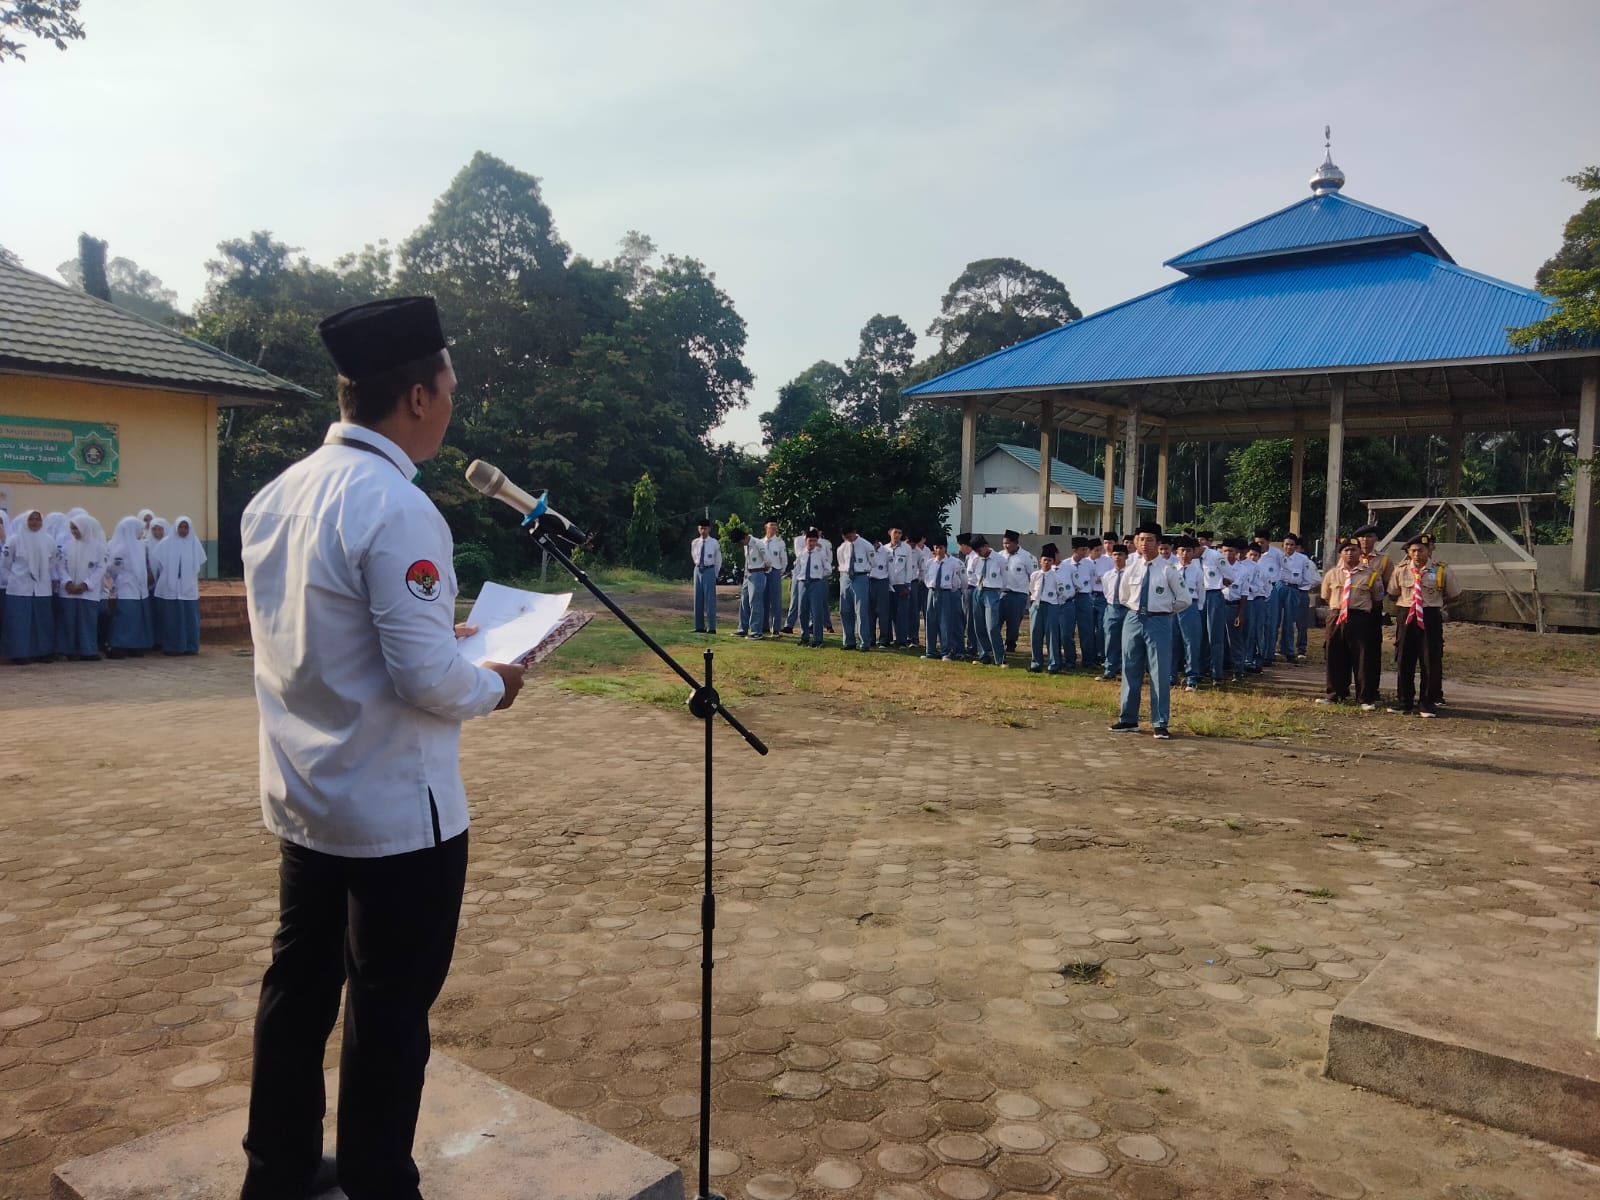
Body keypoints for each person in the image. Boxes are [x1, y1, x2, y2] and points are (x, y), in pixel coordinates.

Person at [237, 296, 526, 1200]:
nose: (451, 401)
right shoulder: (397, 507)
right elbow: (425, 681)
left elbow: (340, 638)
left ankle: (276, 1173)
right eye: (449, 385)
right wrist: (495, 681)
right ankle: (377, 1180)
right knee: (390, 1008)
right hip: (399, 816)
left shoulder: (275, 496)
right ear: (416, 399)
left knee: (297, 991)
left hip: (307, 797)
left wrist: (446, 634)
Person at [1111, 522, 1191, 740]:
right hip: (1134, 619)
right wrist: (1138, 611)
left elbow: (1185, 599)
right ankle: (1128, 719)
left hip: (1159, 622)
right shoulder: (1131, 568)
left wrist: (1165, 611)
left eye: (1150, 540)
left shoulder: (1169, 569)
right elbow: (1124, 596)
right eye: (1141, 539)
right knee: (1130, 668)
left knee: (1159, 672)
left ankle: (1160, 722)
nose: (1145, 544)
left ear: (1158, 543)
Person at [1386, 533, 1461, 717]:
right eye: (1413, 551)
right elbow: (1393, 592)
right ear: (1408, 553)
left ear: (1429, 550)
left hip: (1430, 616)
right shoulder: (1401, 569)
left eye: (1421, 550)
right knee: (1404, 659)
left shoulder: (1441, 570)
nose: (1417, 554)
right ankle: (1405, 700)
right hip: (1407, 614)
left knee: (1430, 659)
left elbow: (1454, 594)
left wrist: (1436, 604)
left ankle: (1427, 703)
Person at [1318, 536, 1384, 707]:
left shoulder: (1371, 575)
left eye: (1353, 550)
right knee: (1335, 655)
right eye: (1346, 550)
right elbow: (1326, 595)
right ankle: (1335, 694)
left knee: (1363, 658)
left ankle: (1365, 697)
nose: (1350, 553)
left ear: (1360, 553)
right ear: (1340, 554)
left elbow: (1377, 597)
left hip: (1360, 618)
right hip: (1337, 616)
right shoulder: (1332, 574)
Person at [2, 509, 55, 663]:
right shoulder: (14, 540)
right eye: (31, 519)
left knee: (42, 622)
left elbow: (52, 562)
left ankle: (42, 652)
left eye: (38, 520)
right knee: (20, 623)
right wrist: (13, 579)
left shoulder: (48, 540)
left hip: (41, 588)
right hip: (19, 588)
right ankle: (20, 654)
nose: (35, 523)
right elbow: (5, 564)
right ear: (25, 521)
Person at [154, 515, 205, 654]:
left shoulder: (194, 543)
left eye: (186, 527)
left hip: (188, 586)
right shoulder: (167, 542)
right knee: (172, 618)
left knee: (190, 617)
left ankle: (190, 646)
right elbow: (160, 562)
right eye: (181, 527)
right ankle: (173, 646)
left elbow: (198, 563)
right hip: (171, 586)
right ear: (176, 528)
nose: (183, 530)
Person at [60, 513, 107, 660]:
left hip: (88, 592)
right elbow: (61, 567)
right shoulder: (68, 546)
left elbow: (101, 568)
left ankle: (88, 651)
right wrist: (67, 582)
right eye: (72, 529)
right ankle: (70, 651)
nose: (75, 532)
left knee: (87, 622)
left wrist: (86, 584)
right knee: (69, 622)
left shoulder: (98, 547)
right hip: (69, 591)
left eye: (77, 529)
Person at [106, 515, 154, 657]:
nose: (141, 532)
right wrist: (122, 577)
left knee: (138, 617)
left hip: (140, 587)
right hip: (127, 586)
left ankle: (135, 644)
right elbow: (112, 568)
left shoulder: (140, 545)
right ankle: (118, 645)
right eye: (139, 529)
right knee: (126, 616)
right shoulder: (120, 547)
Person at [1027, 544, 1069, 673]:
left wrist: (1055, 605)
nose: (1046, 563)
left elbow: (1062, 593)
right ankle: (1036, 663)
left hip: (1051, 606)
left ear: (1053, 562)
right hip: (1037, 605)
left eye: (1049, 560)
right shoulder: (1035, 575)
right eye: (1044, 560)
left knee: (1052, 636)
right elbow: (1031, 589)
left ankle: (1053, 663)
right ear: (1040, 560)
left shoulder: (1056, 577)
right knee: (1035, 634)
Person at [1170, 537, 1204, 692]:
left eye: (1188, 551)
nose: (1185, 554)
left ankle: (1191, 677)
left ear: (1193, 552)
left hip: (1190, 607)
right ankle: (1171, 676)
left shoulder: (1197, 571)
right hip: (1173, 608)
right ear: (1177, 552)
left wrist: (1199, 608)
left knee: (1191, 643)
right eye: (1182, 550)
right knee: (1172, 642)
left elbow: (1201, 591)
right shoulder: (1170, 569)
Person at [967, 535, 1005, 666]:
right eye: (976, 552)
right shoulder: (975, 559)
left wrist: (998, 592)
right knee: (978, 625)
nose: (978, 553)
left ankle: (1000, 658)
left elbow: (1005, 578)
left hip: (992, 592)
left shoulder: (999, 559)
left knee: (992, 626)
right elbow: (970, 574)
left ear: (985, 546)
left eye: (979, 550)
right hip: (978, 590)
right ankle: (984, 655)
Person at [996, 530, 1035, 657]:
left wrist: (1032, 595)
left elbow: (1033, 577)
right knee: (996, 621)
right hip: (1001, 593)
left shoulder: (1027, 557)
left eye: (1008, 543)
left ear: (1015, 543)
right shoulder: (999, 556)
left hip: (1018, 594)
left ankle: (1011, 644)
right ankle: (996, 645)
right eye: (1004, 543)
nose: (1006, 546)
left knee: (1013, 624)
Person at [836, 525, 874, 651]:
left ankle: (864, 642)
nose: (848, 539)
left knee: (861, 611)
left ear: (854, 532)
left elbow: (873, 562)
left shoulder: (866, 545)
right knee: (845, 610)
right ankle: (849, 641)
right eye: (845, 537)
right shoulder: (842, 547)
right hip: (846, 576)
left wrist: (864, 570)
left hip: (861, 576)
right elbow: (841, 563)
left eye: (849, 536)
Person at [922, 540, 961, 660]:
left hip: (945, 592)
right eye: (936, 547)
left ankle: (946, 651)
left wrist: (949, 590)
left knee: (945, 623)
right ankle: (931, 651)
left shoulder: (952, 563)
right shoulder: (930, 563)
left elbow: (956, 581)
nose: (938, 550)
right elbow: (926, 577)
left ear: (945, 548)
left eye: (941, 548)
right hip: (932, 591)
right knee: (930, 621)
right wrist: (931, 586)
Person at [794, 527, 831, 648]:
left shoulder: (820, 554)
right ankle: (804, 637)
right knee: (802, 611)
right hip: (803, 583)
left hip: (816, 583)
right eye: (810, 541)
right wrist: (801, 578)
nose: (812, 544)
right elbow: (797, 568)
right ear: (806, 541)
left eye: (814, 541)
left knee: (817, 612)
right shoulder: (801, 554)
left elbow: (828, 569)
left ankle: (818, 639)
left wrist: (819, 576)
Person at [1098, 543, 1128, 681]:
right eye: (1115, 555)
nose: (1117, 557)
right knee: (1110, 639)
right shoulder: (1107, 575)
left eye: (1120, 555)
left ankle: (1125, 669)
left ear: (1126, 557)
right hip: (1112, 608)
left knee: (1127, 641)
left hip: (1127, 608)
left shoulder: (1131, 575)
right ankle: (1110, 669)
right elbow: (1106, 592)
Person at [1067, 538, 1097, 668]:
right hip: (1070, 598)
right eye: (1082, 550)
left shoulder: (1089, 564)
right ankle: (1070, 659)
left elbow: (1092, 580)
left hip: (1084, 597)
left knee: (1087, 630)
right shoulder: (1065, 564)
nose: (1085, 552)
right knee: (1068, 630)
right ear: (1075, 550)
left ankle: (1088, 660)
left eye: (1086, 549)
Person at [885, 527, 915, 647]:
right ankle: (887, 639)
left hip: (901, 584)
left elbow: (909, 568)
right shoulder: (884, 548)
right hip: (887, 584)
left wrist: (908, 585)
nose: (897, 535)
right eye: (895, 532)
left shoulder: (906, 548)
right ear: (890, 533)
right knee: (888, 613)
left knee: (901, 614)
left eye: (900, 533)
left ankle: (901, 640)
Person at [690, 518, 720, 634]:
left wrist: (715, 574)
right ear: (698, 529)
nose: (703, 531)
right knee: (698, 598)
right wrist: (698, 565)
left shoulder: (714, 543)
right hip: (698, 569)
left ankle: (711, 627)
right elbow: (694, 556)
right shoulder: (695, 542)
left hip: (709, 569)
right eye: (701, 528)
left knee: (710, 599)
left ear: (709, 529)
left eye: (705, 528)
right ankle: (699, 626)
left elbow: (718, 560)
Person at [759, 520, 787, 636]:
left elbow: (784, 560)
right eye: (772, 525)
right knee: (763, 600)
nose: (774, 527)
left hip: (775, 571)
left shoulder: (780, 542)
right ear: (766, 526)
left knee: (775, 601)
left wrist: (779, 572)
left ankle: (776, 628)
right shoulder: (760, 542)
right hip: (763, 572)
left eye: (776, 525)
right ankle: (764, 626)